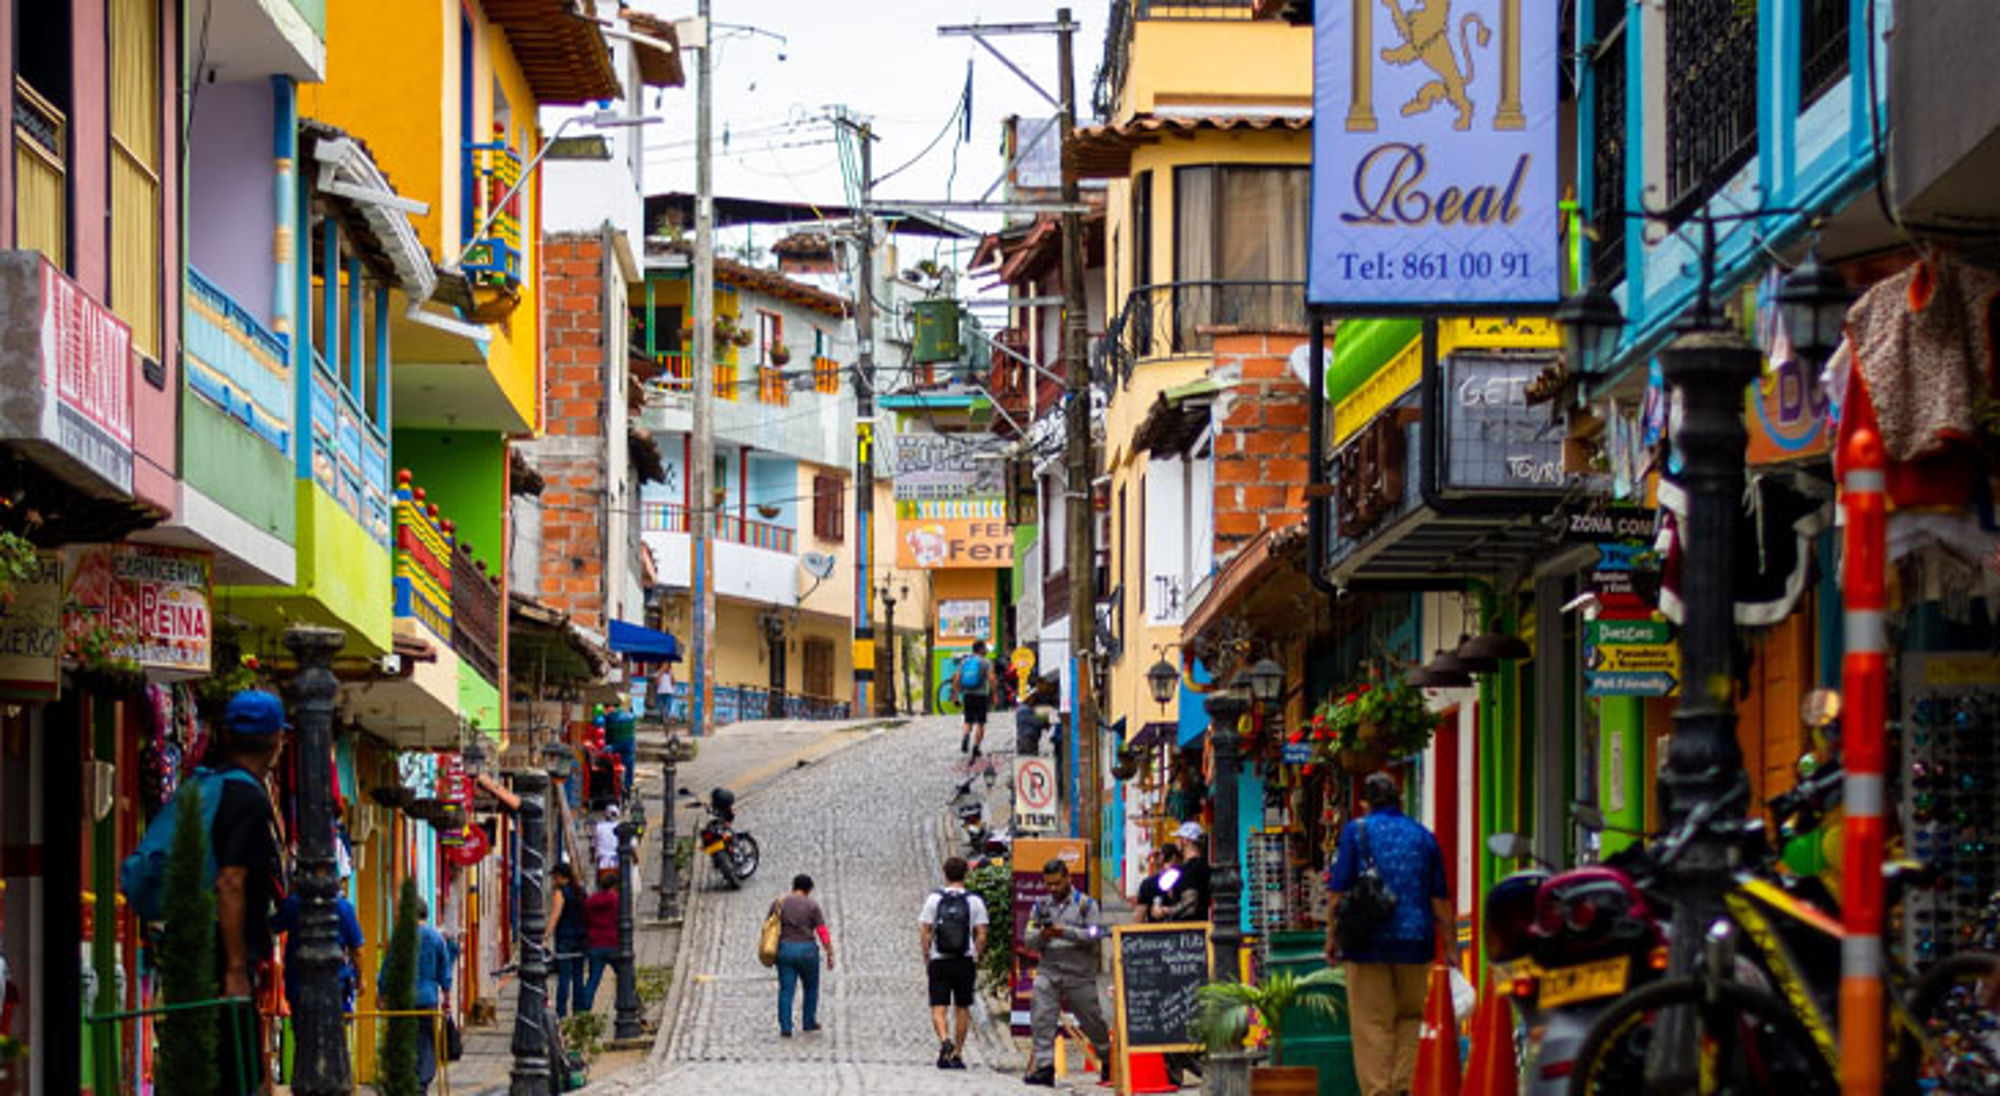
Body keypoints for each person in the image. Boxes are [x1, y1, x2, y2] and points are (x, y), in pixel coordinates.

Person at [1325, 772, 1455, 1096]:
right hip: (1415, 944)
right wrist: (1452, 946)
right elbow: (1440, 901)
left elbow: (1337, 893)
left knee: (1372, 1023)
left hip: (1366, 943)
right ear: (1400, 799)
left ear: (1364, 803)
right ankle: (1403, 1086)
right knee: (1411, 1017)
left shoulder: (1356, 832)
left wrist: (1332, 937)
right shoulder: (1423, 837)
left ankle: (1379, 1091)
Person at [210, 690, 288, 1096]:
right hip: (225, 964)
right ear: (276, 740)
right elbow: (231, 880)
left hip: (198, 953)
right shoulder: (248, 798)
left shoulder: (209, 785)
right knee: (240, 1075)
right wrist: (236, 967)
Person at [1024, 859, 1110, 1087]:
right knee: (1042, 1017)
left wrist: (1064, 932)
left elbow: (1094, 934)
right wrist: (1043, 935)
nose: (1053, 888)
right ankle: (1045, 1066)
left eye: (1057, 883)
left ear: (1068, 878)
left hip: (1079, 974)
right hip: (1049, 971)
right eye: (1049, 884)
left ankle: (1107, 1058)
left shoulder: (1086, 905)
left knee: (1092, 1021)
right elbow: (1029, 939)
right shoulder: (1040, 906)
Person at [919, 856, 990, 1070]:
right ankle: (958, 1053)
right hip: (964, 960)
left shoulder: (934, 900)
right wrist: (976, 955)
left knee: (938, 1006)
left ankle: (944, 1040)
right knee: (962, 1007)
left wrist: (926, 954)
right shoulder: (974, 901)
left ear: (945, 874)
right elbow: (981, 933)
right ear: (966, 874)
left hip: (939, 959)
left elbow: (925, 930)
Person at [270, 889, 366, 1013]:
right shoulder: (343, 907)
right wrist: (360, 978)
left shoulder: (294, 903)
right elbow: (357, 951)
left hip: (300, 987)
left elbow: (272, 927)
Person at [771, 874, 834, 1037]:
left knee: (786, 990)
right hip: (807, 951)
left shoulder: (779, 903)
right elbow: (822, 930)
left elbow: (770, 925)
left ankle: (786, 1026)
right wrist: (829, 951)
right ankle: (808, 1021)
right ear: (808, 889)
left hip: (785, 950)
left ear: (793, 886)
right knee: (811, 987)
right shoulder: (812, 905)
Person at [546, 862, 589, 1017]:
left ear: (559, 876)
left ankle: (562, 1012)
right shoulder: (580, 891)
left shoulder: (560, 892)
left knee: (564, 976)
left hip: (565, 938)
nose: (553, 880)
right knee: (578, 976)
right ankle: (579, 1011)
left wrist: (545, 935)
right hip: (581, 937)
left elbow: (555, 915)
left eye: (554, 877)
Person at [582, 870, 622, 1009]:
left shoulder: (591, 900)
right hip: (612, 942)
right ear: (614, 886)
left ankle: (585, 1009)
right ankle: (624, 1002)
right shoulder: (616, 899)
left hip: (595, 943)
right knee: (624, 976)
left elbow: (586, 919)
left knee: (593, 980)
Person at [1164, 822, 1213, 921]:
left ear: (1185, 840)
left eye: (1179, 838)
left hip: (1188, 925)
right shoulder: (1206, 866)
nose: (1176, 842)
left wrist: (1166, 911)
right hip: (1204, 922)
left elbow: (1190, 904)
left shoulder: (1187, 869)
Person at [954, 640, 992, 757]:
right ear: (980, 649)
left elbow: (957, 678)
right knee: (981, 723)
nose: (986, 650)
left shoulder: (964, 661)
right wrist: (994, 694)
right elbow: (991, 678)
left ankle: (966, 735)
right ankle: (976, 747)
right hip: (981, 695)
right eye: (984, 648)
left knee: (968, 720)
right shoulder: (985, 662)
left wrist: (956, 694)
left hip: (967, 695)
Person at [598, 697, 639, 801]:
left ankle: (613, 789)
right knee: (628, 766)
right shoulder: (630, 716)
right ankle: (627, 787)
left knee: (608, 766)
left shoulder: (609, 717)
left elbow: (602, 727)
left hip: (615, 745)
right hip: (629, 745)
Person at [594, 804, 622, 877]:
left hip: (603, 860)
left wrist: (593, 856)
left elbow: (594, 843)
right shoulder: (620, 826)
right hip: (616, 860)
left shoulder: (599, 826)